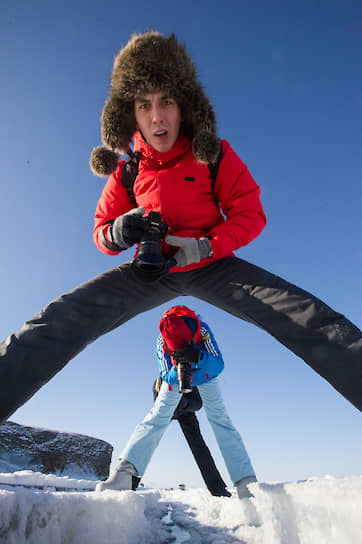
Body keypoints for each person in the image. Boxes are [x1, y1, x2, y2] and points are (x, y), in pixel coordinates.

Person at [0, 31, 361, 424]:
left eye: (166, 102)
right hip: (149, 272)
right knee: (57, 319)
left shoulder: (215, 155)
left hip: (214, 265)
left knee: (309, 316)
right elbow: (102, 232)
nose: (157, 116)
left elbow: (250, 213)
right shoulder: (127, 170)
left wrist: (206, 247)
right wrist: (121, 231)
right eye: (144, 105)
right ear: (130, 114)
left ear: (183, 107)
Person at [96, 305, 256, 500]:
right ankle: (124, 473)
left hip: (206, 373)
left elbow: (218, 364)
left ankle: (245, 480)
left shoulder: (202, 329)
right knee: (157, 417)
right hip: (175, 379)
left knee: (220, 419)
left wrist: (198, 356)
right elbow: (166, 376)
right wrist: (178, 365)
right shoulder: (161, 340)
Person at [150, 375, 232, 497]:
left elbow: (199, 403)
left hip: (186, 413)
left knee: (200, 448)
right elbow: (157, 401)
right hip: (165, 410)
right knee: (147, 439)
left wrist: (183, 404)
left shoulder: (193, 378)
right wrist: (169, 405)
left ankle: (218, 488)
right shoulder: (161, 379)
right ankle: (130, 481)